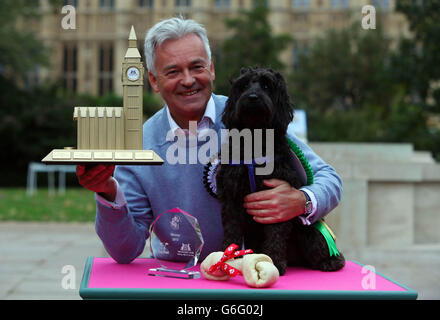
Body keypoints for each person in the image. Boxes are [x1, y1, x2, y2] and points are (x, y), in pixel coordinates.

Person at [76, 17, 343, 264]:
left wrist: (302, 200)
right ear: (153, 81)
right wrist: (108, 192)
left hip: (258, 276)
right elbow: (125, 250)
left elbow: (329, 179)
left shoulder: (251, 114)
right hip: (182, 281)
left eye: (197, 67)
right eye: (173, 72)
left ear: (212, 69)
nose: (188, 80)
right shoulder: (139, 143)